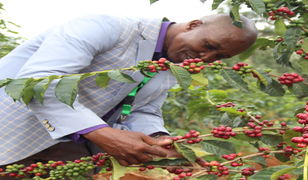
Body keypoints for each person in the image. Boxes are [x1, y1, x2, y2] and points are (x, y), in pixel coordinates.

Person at [0, 13, 257, 170]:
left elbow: (144, 108)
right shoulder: (105, 27)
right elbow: (36, 82)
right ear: (193, 25)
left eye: (217, 57)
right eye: (208, 45)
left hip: (62, 144)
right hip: (10, 130)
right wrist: (100, 133)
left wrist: (158, 138)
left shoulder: (174, 64)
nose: (204, 58)